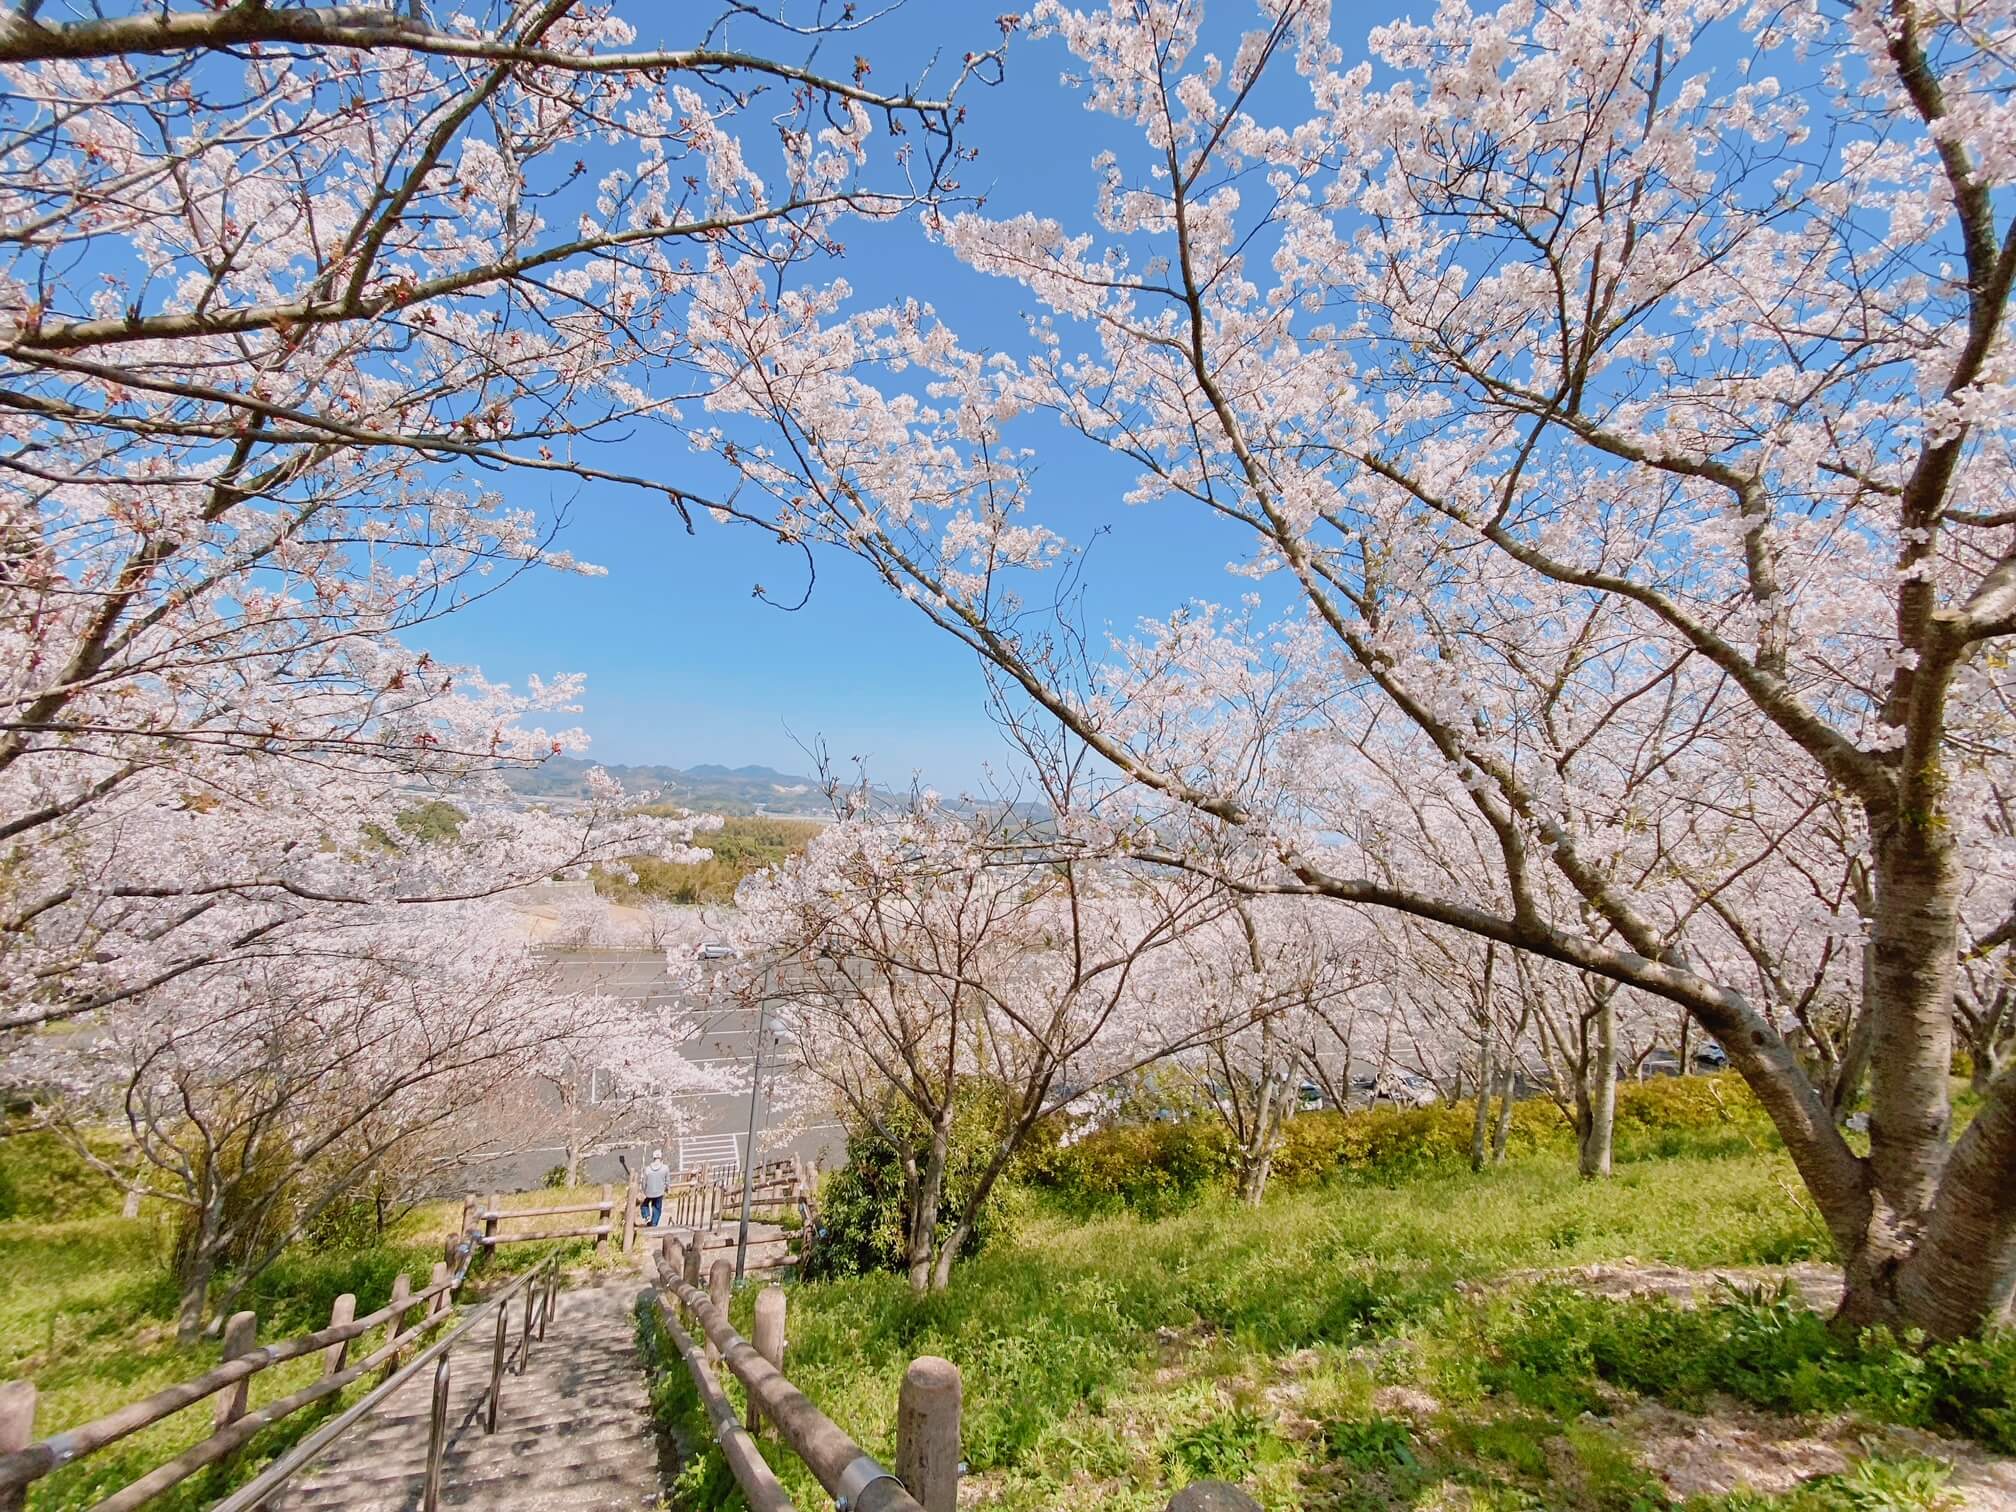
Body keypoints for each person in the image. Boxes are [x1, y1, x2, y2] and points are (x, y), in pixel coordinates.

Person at [640, 1148, 671, 1229]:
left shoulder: (647, 1169)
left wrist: (643, 1190)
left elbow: (644, 1181)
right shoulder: (665, 1168)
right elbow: (667, 1180)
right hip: (659, 1192)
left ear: (653, 1157)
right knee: (657, 1208)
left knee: (644, 1204)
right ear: (661, 1157)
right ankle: (654, 1224)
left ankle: (646, 1215)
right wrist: (668, 1188)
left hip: (648, 1192)